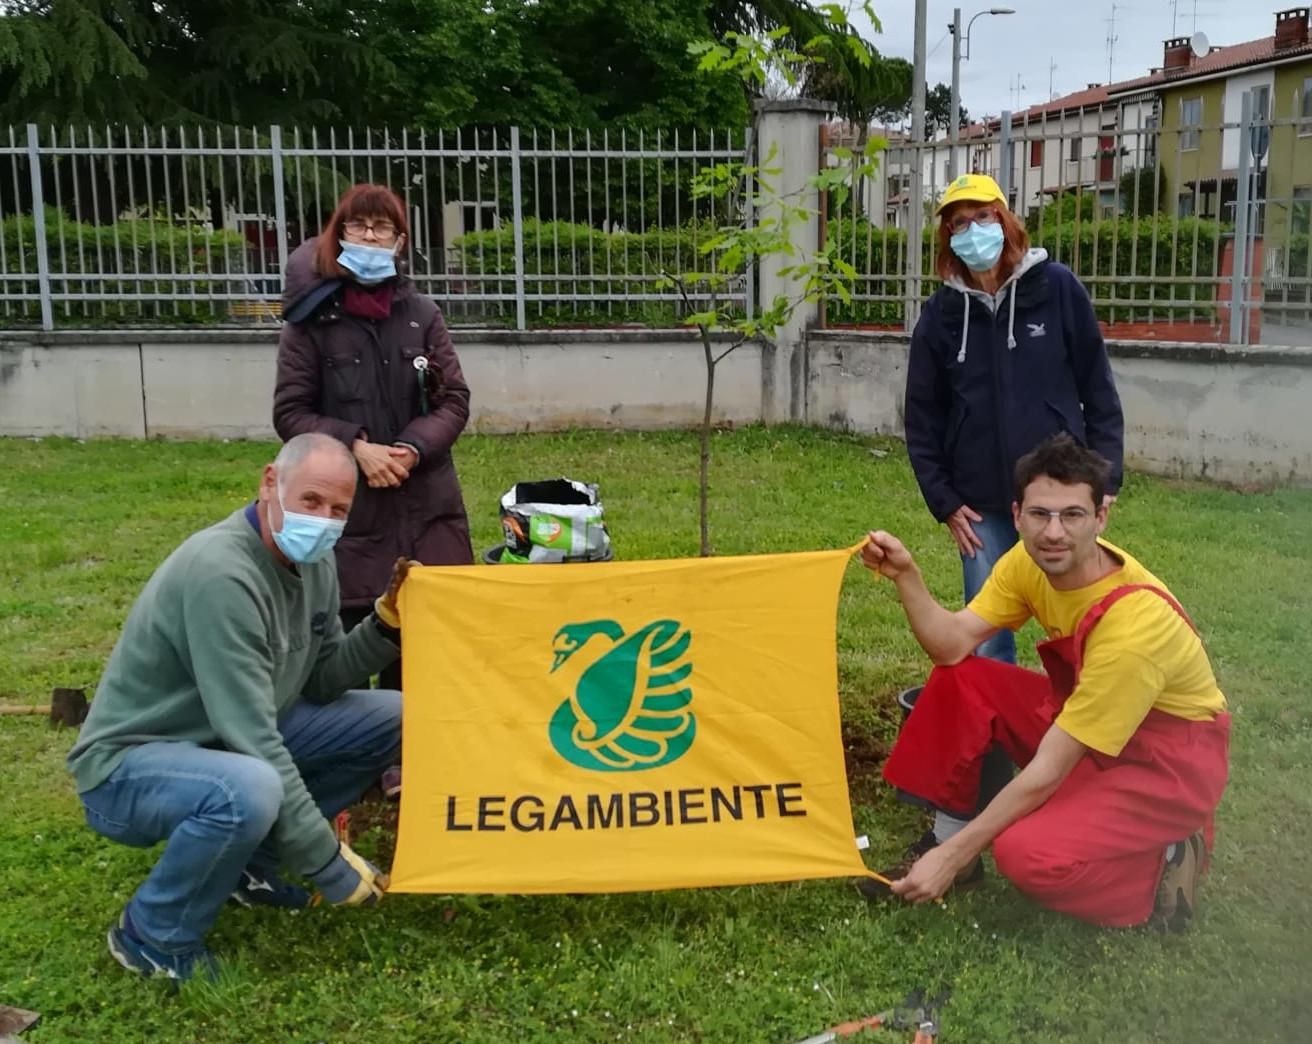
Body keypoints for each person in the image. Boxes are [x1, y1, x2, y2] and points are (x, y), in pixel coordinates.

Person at [67, 433, 411, 981]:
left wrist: (384, 626)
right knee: (248, 786)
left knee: (396, 716)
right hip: (129, 767)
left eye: (338, 510)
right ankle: (152, 935)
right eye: (312, 501)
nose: (323, 520)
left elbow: (321, 680)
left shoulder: (314, 562)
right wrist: (325, 860)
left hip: (228, 739)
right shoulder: (221, 573)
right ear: (270, 482)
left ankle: (253, 867)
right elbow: (252, 736)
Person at [857, 434, 1230, 931]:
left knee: (1024, 854)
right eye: (1040, 514)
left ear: (1101, 519)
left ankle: (1164, 859)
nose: (1053, 532)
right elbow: (951, 645)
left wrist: (952, 856)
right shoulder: (1027, 563)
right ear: (1016, 516)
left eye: (1072, 515)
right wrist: (906, 575)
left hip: (1166, 761)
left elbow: (1050, 768)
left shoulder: (1135, 627)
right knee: (961, 677)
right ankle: (951, 843)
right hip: (1092, 723)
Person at [904, 173, 1124, 666]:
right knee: (986, 639)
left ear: (1005, 221)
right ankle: (999, 735)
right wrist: (944, 500)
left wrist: (1105, 475)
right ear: (949, 238)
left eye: (984, 216)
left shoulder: (1059, 289)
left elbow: (1099, 390)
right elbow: (922, 417)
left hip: (1060, 498)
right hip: (981, 509)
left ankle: (1080, 726)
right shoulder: (940, 314)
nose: (974, 229)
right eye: (960, 222)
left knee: (1080, 627)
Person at [274, 183, 473, 696]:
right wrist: (355, 448)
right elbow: (291, 412)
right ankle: (360, 758)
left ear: (400, 242)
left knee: (428, 642)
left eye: (382, 227)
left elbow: (454, 400)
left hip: (427, 504)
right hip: (352, 510)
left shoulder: (422, 314)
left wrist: (411, 448)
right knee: (352, 643)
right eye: (358, 226)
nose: (370, 235)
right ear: (338, 236)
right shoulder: (312, 322)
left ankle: (414, 759)